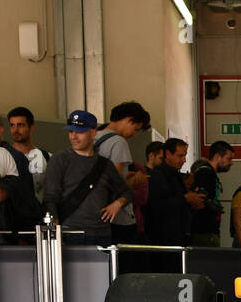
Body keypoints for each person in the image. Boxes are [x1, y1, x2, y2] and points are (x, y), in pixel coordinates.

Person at [42, 110, 134, 246]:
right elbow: (50, 199)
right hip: (69, 234)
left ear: (93, 132)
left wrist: (118, 203)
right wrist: (55, 234)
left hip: (102, 234)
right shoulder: (59, 159)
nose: (73, 136)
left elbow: (126, 192)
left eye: (80, 131)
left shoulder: (105, 164)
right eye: (70, 131)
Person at [94, 101, 151, 244]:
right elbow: (116, 185)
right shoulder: (118, 142)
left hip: (95, 215)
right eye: (136, 129)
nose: (134, 135)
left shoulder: (93, 137)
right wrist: (135, 179)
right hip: (118, 218)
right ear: (129, 120)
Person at [144, 137, 205, 253]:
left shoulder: (175, 175)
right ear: (167, 154)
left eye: (185, 155)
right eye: (180, 156)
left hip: (179, 238)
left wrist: (192, 203)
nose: (184, 160)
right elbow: (156, 206)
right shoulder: (157, 176)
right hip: (163, 241)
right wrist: (185, 199)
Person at [189, 140, 234, 246]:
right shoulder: (205, 174)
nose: (232, 162)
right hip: (204, 233)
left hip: (209, 232)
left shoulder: (210, 174)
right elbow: (199, 201)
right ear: (218, 157)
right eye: (229, 159)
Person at [7, 106, 49, 200]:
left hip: (39, 211)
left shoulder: (46, 157)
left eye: (20, 125)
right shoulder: (4, 156)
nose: (15, 130)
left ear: (31, 127)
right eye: (12, 125)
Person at [130, 139, 165, 239]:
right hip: (146, 224)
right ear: (151, 156)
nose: (164, 163)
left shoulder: (162, 175)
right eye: (161, 159)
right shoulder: (141, 175)